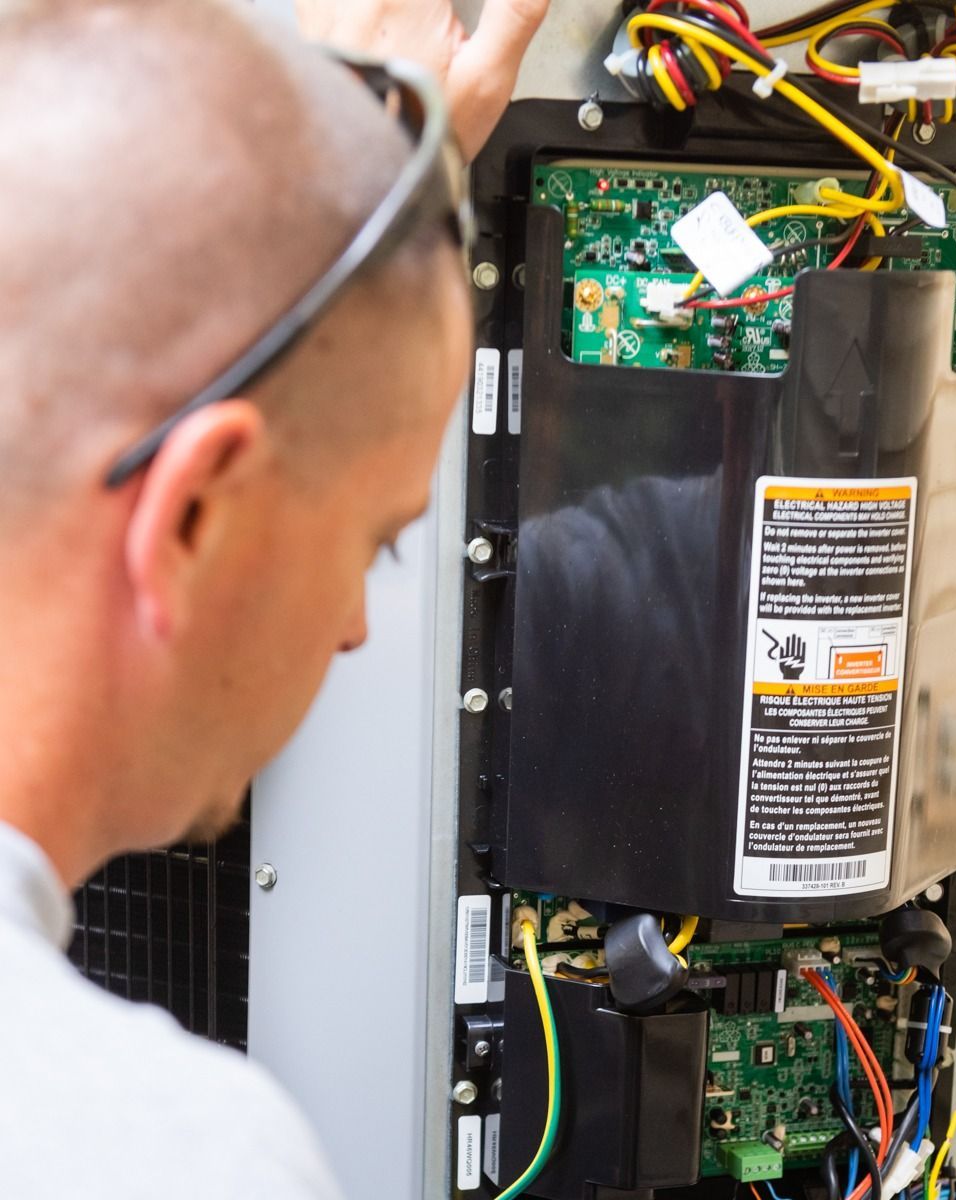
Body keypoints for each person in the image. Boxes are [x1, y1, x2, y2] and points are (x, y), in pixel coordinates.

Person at [0, 0, 547, 1194]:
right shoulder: (167, 1157)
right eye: (376, 544)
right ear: (195, 515)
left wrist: (347, 197)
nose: (354, 629)